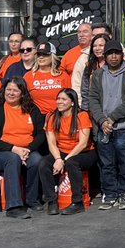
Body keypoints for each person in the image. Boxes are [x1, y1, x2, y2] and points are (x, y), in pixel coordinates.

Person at [0, 78, 46, 218]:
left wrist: (29, 149)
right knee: (12, 159)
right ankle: (13, 206)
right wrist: (14, 149)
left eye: (15, 90)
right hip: (1, 153)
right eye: (8, 89)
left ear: (22, 93)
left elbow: (41, 133)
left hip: (27, 150)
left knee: (37, 160)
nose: (11, 93)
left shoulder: (32, 109)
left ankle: (32, 199)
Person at [84, 40, 125, 210]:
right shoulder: (99, 74)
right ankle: (109, 193)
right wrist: (102, 120)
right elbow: (92, 99)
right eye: (110, 53)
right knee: (106, 163)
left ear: (122, 55)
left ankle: (124, 192)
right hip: (103, 127)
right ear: (105, 56)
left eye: (117, 53)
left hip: (123, 126)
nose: (114, 56)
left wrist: (112, 118)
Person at [39, 88, 97, 216]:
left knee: (72, 163)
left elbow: (82, 143)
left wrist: (64, 161)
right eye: (58, 99)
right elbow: (52, 143)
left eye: (63, 99)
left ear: (72, 102)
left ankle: (77, 202)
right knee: (43, 163)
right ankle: (52, 201)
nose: (59, 102)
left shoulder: (82, 116)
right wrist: (58, 159)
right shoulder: (51, 117)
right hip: (62, 152)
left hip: (84, 153)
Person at [24, 41, 70, 115]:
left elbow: (70, 98)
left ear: (52, 56)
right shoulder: (28, 76)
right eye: (39, 54)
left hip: (58, 116)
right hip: (37, 117)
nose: (41, 57)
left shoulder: (63, 76)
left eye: (45, 54)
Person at [71, 33, 107, 100]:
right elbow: (84, 90)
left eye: (101, 45)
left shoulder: (115, 65)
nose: (97, 48)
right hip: (92, 105)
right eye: (94, 46)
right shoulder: (89, 65)